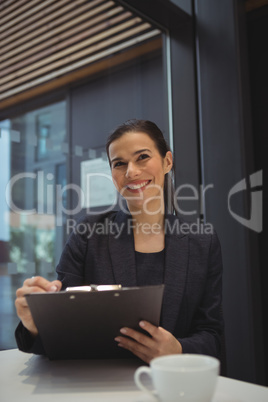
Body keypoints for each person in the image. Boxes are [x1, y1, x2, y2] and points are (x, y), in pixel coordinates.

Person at [15, 119, 223, 363]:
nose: (131, 172)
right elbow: (61, 331)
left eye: (142, 157)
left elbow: (212, 335)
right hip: (100, 384)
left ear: (167, 162)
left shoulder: (202, 241)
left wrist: (178, 349)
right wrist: (35, 324)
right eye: (119, 164)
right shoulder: (89, 233)